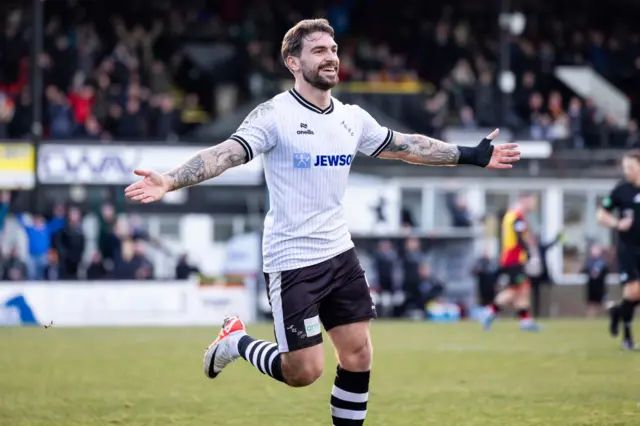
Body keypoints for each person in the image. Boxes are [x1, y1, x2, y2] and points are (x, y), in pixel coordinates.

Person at [124, 19, 519, 425]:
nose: (331, 57)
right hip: (291, 259)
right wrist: (171, 179)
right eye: (319, 51)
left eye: (333, 49)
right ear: (293, 62)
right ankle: (237, 341)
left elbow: (407, 146)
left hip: (339, 253)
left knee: (359, 354)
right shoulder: (273, 115)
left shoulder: (352, 118)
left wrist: (473, 154)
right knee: (304, 372)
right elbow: (226, 153)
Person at [597, 150, 640, 350]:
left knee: (634, 296)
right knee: (633, 291)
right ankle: (627, 338)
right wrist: (616, 223)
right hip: (629, 249)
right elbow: (601, 214)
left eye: (630, 167)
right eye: (625, 168)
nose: (627, 171)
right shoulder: (621, 190)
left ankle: (617, 312)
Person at [481, 193, 541, 331]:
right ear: (524, 200)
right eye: (532, 201)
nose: (533, 205)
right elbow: (519, 238)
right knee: (515, 290)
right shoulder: (516, 216)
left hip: (512, 259)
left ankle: (525, 321)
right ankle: (489, 311)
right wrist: (531, 254)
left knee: (522, 289)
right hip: (513, 260)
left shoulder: (512, 215)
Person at [582, 244, 609, 317]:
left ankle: (607, 313)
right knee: (591, 300)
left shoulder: (603, 261)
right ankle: (591, 313)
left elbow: (606, 270)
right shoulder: (589, 261)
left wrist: (599, 274)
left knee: (604, 299)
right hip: (591, 284)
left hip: (600, 284)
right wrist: (591, 273)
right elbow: (585, 270)